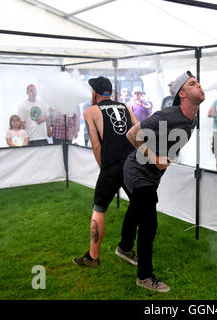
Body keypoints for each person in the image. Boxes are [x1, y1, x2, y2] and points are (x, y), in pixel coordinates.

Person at [117, 71, 205, 292]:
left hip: (151, 175)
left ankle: (124, 248)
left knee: (136, 211)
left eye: (199, 82)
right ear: (182, 94)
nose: (200, 86)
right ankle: (144, 277)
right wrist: (155, 158)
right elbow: (131, 134)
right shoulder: (167, 114)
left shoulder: (192, 118)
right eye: (193, 83)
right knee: (149, 223)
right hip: (136, 170)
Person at [73, 76, 138, 268]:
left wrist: (105, 169)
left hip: (111, 166)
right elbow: (138, 130)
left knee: (99, 209)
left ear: (94, 93)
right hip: (130, 163)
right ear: (109, 92)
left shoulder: (91, 111)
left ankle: (93, 258)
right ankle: (126, 247)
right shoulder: (125, 107)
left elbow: (95, 144)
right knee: (137, 204)